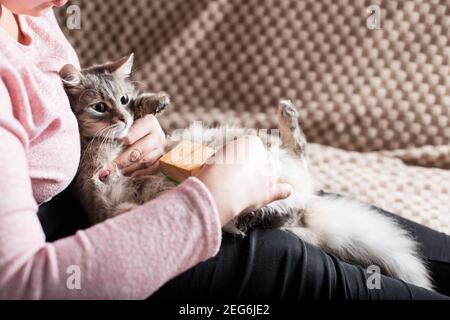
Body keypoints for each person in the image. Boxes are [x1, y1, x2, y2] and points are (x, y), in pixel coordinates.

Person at [0, 0, 449, 300]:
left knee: (371, 229)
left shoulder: (27, 10)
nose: (62, 2)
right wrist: (214, 200)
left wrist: (137, 133)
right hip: (116, 250)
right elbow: (23, 286)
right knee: (314, 263)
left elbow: (55, 106)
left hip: (153, 198)